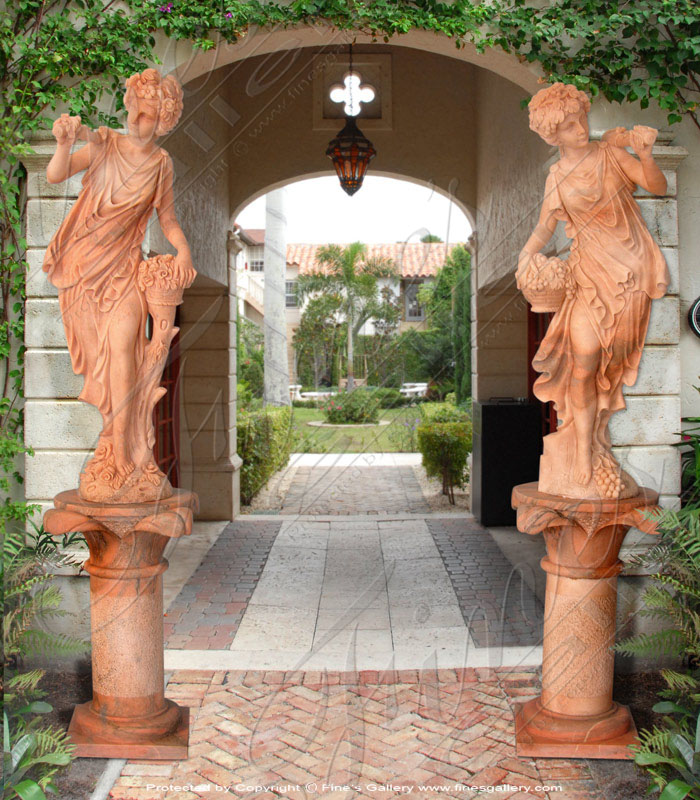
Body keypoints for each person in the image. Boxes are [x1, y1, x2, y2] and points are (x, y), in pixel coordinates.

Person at [44, 69, 196, 501]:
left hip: (124, 271)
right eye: (132, 107)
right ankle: (114, 455)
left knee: (126, 358)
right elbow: (56, 175)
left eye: (146, 115)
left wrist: (182, 251)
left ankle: (125, 456)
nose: (135, 118)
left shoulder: (161, 165)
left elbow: (167, 218)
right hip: (82, 270)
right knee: (102, 364)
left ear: (163, 120)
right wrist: (62, 143)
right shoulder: (104, 143)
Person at [517, 83, 668, 499]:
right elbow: (544, 228)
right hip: (587, 273)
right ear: (552, 136)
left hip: (631, 271)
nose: (579, 129)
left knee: (611, 365)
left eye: (579, 118)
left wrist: (647, 155)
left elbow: (655, 186)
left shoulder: (610, 154)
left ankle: (597, 441)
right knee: (583, 359)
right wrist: (524, 258)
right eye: (566, 127)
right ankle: (582, 453)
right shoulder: (557, 176)